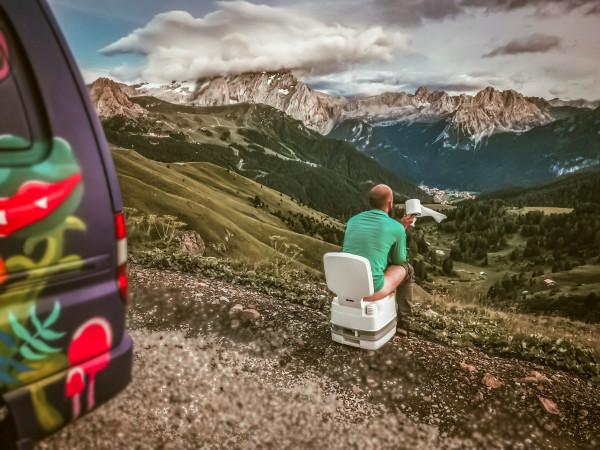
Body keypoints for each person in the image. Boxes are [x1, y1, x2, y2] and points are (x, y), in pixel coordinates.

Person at [342, 184, 416, 332]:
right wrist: (401, 230)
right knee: (408, 269)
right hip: (371, 291)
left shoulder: (352, 221)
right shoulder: (396, 227)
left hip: (345, 287)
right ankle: (404, 322)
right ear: (390, 203)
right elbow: (399, 261)